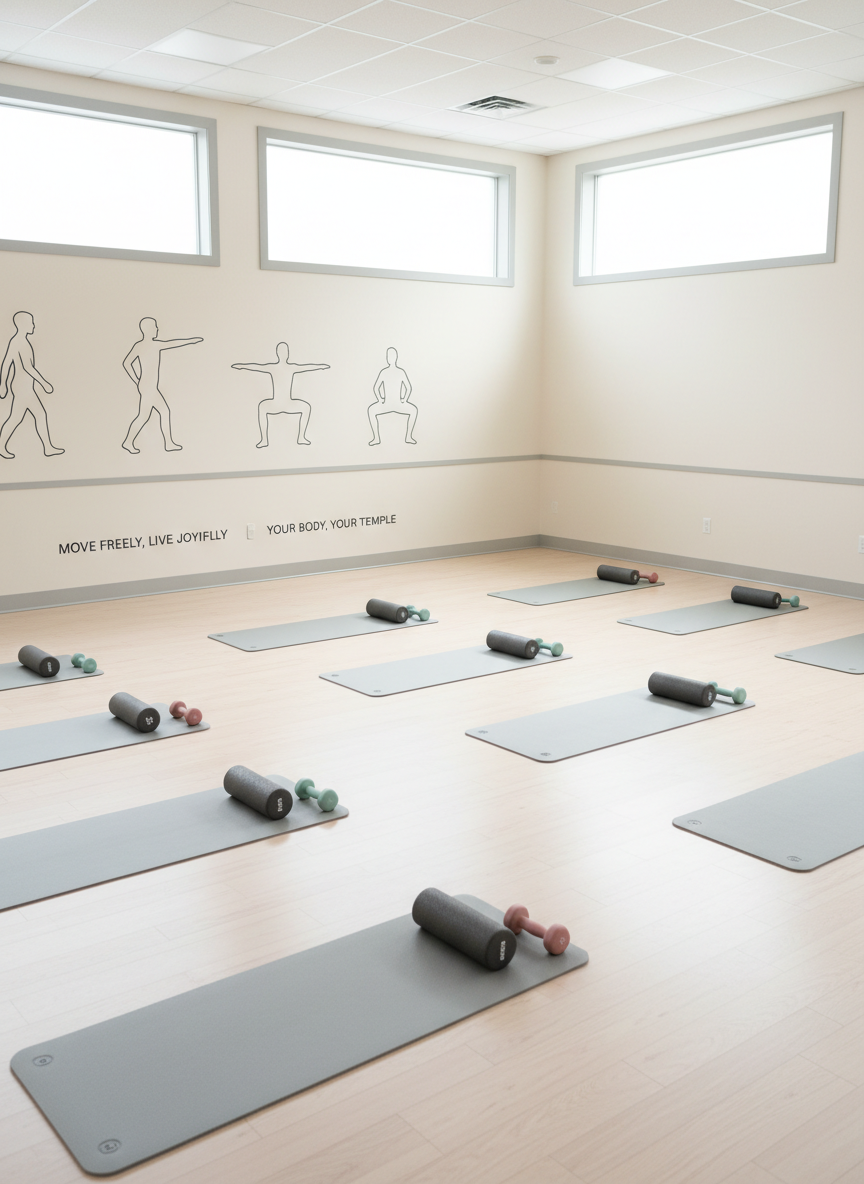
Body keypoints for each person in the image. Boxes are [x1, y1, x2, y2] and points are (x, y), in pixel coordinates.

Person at [121, 317, 202, 454]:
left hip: (149, 387)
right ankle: (129, 442)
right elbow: (127, 363)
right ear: (148, 330)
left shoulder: (149, 345)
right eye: (155, 327)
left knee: (162, 412)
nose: (157, 329)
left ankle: (168, 443)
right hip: (148, 387)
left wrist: (190, 341)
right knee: (145, 416)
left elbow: (172, 343)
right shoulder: (148, 345)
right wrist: (137, 380)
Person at [232, 342, 329, 447]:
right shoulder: (280, 367)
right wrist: (242, 366)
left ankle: (300, 437)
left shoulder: (288, 367)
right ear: (282, 354)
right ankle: (265, 440)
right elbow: (256, 367)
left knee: (305, 407)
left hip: (285, 403)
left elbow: (307, 367)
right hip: (279, 403)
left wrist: (320, 366)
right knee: (263, 406)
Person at [0, 311, 63, 459]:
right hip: (23, 388)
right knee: (20, 417)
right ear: (22, 325)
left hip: (23, 387)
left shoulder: (17, 341)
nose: (33, 325)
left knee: (35, 415)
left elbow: (6, 363)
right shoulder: (19, 342)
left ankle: (48, 447)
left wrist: (4, 384)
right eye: (31, 322)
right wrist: (44, 383)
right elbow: (27, 367)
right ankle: (2, 446)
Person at [368, 348, 417, 445]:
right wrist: (380, 399)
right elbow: (376, 388)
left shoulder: (397, 372)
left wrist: (404, 399)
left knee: (414, 410)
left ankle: (408, 437)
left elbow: (376, 388)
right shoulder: (387, 372)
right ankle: (376, 438)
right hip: (388, 404)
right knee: (371, 410)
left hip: (393, 404)